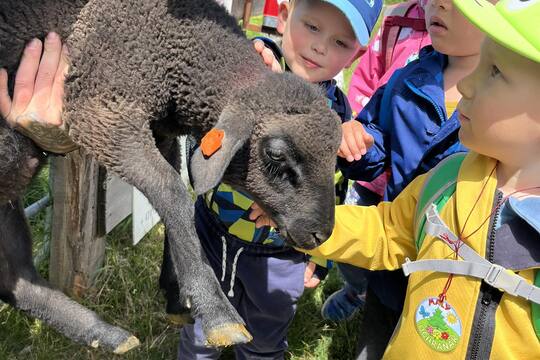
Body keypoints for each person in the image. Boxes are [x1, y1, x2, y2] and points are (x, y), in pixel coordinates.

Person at [253, 0, 540, 357]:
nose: (468, 85)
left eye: (494, 71)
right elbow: (387, 228)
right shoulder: (441, 162)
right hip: (393, 279)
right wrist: (352, 151)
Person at [178, 1, 382, 358]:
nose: (320, 46)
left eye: (340, 43)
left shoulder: (337, 115)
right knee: (201, 327)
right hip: (211, 233)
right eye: (313, 27)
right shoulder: (253, 67)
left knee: (265, 335)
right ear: (285, 17)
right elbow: (204, 139)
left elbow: (331, 189)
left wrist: (321, 257)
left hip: (280, 254)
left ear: (355, 56)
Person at [321, 0, 432, 324]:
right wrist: (356, 127)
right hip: (372, 173)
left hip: (417, 186)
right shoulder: (398, 17)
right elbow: (368, 79)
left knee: (404, 265)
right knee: (352, 249)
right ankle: (357, 289)